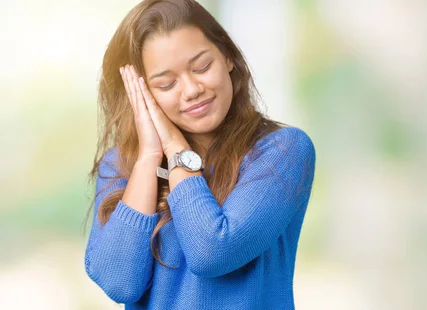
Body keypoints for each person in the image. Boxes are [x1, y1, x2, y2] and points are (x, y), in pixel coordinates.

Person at [84, 0, 316, 309]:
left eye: (202, 67)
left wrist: (176, 151)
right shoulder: (123, 165)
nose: (192, 89)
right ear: (142, 94)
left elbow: (212, 252)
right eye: (166, 84)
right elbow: (119, 283)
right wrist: (149, 156)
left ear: (228, 56)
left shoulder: (282, 151)